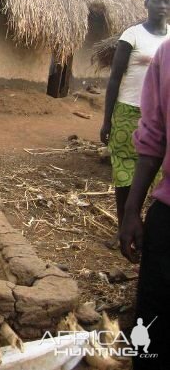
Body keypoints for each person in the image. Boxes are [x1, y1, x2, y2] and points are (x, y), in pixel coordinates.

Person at [100, 0, 170, 248]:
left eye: (167, 1)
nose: (162, 6)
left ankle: (146, 231)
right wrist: (107, 119)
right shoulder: (132, 35)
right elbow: (115, 78)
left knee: (154, 176)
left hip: (160, 117)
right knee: (125, 174)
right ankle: (124, 229)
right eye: (157, 0)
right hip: (128, 110)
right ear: (146, 3)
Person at [121, 37, 170, 370]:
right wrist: (129, 210)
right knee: (153, 336)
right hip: (167, 219)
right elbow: (153, 135)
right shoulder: (166, 54)